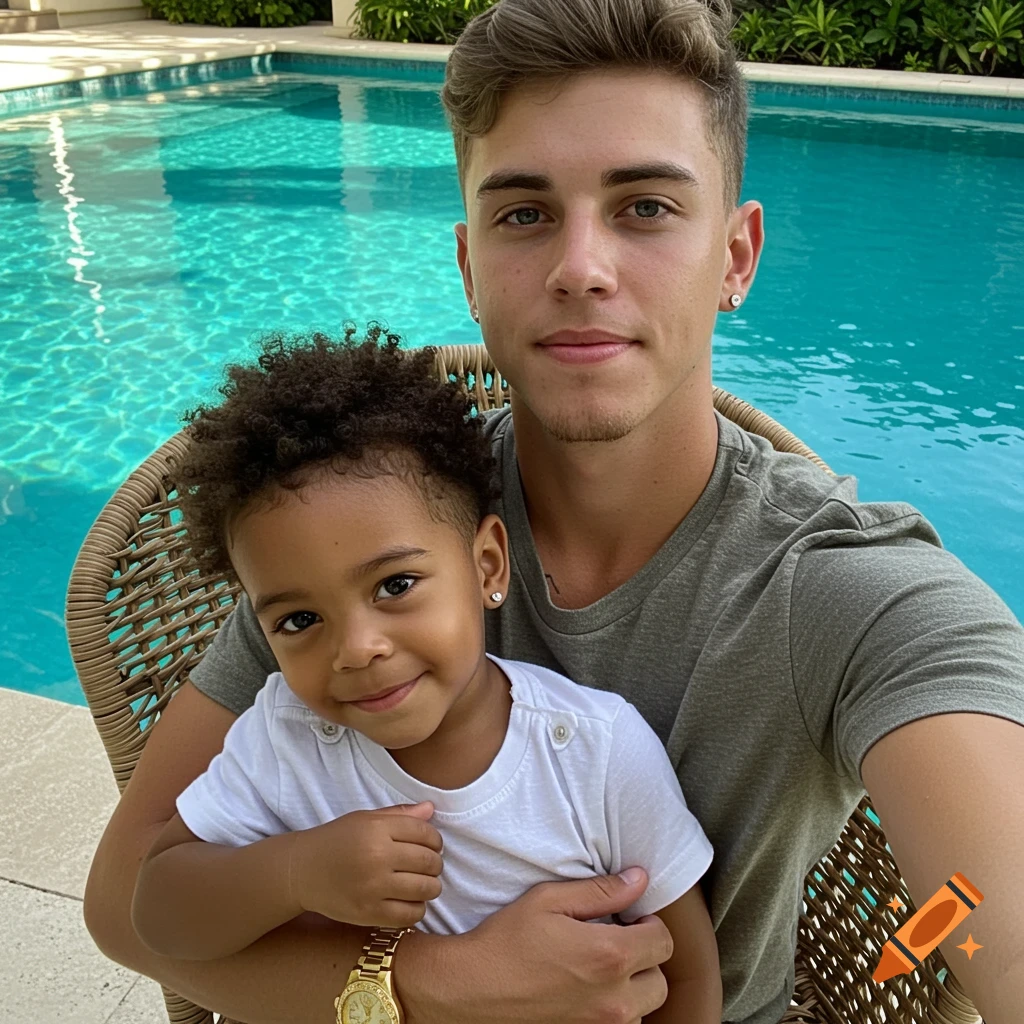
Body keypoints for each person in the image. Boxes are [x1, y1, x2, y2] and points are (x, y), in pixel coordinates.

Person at [82, 0, 1024, 1021]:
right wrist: (434, 985)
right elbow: (122, 904)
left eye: (646, 207)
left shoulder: (840, 594)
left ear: (736, 257)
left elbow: (996, 924)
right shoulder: (365, 531)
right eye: (524, 213)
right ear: (468, 267)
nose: (581, 267)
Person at [128, 329, 722, 1024]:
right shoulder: (286, 740)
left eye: (396, 584)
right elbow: (158, 913)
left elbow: (688, 976)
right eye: (298, 621)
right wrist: (295, 873)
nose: (356, 647)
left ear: (488, 566)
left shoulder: (596, 752)